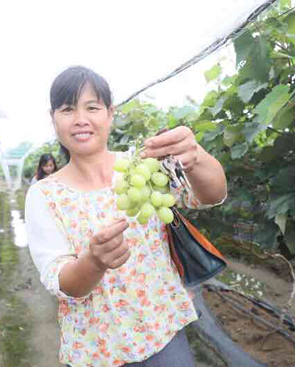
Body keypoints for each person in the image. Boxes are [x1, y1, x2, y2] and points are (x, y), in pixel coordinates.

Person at [25, 66, 227, 367]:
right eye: (67, 109)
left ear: (110, 113)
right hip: (97, 350)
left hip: (162, 333)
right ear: (52, 118)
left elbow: (211, 195)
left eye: (92, 107)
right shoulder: (44, 195)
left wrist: (195, 156)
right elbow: (63, 281)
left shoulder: (143, 166)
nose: (80, 118)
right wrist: (93, 262)